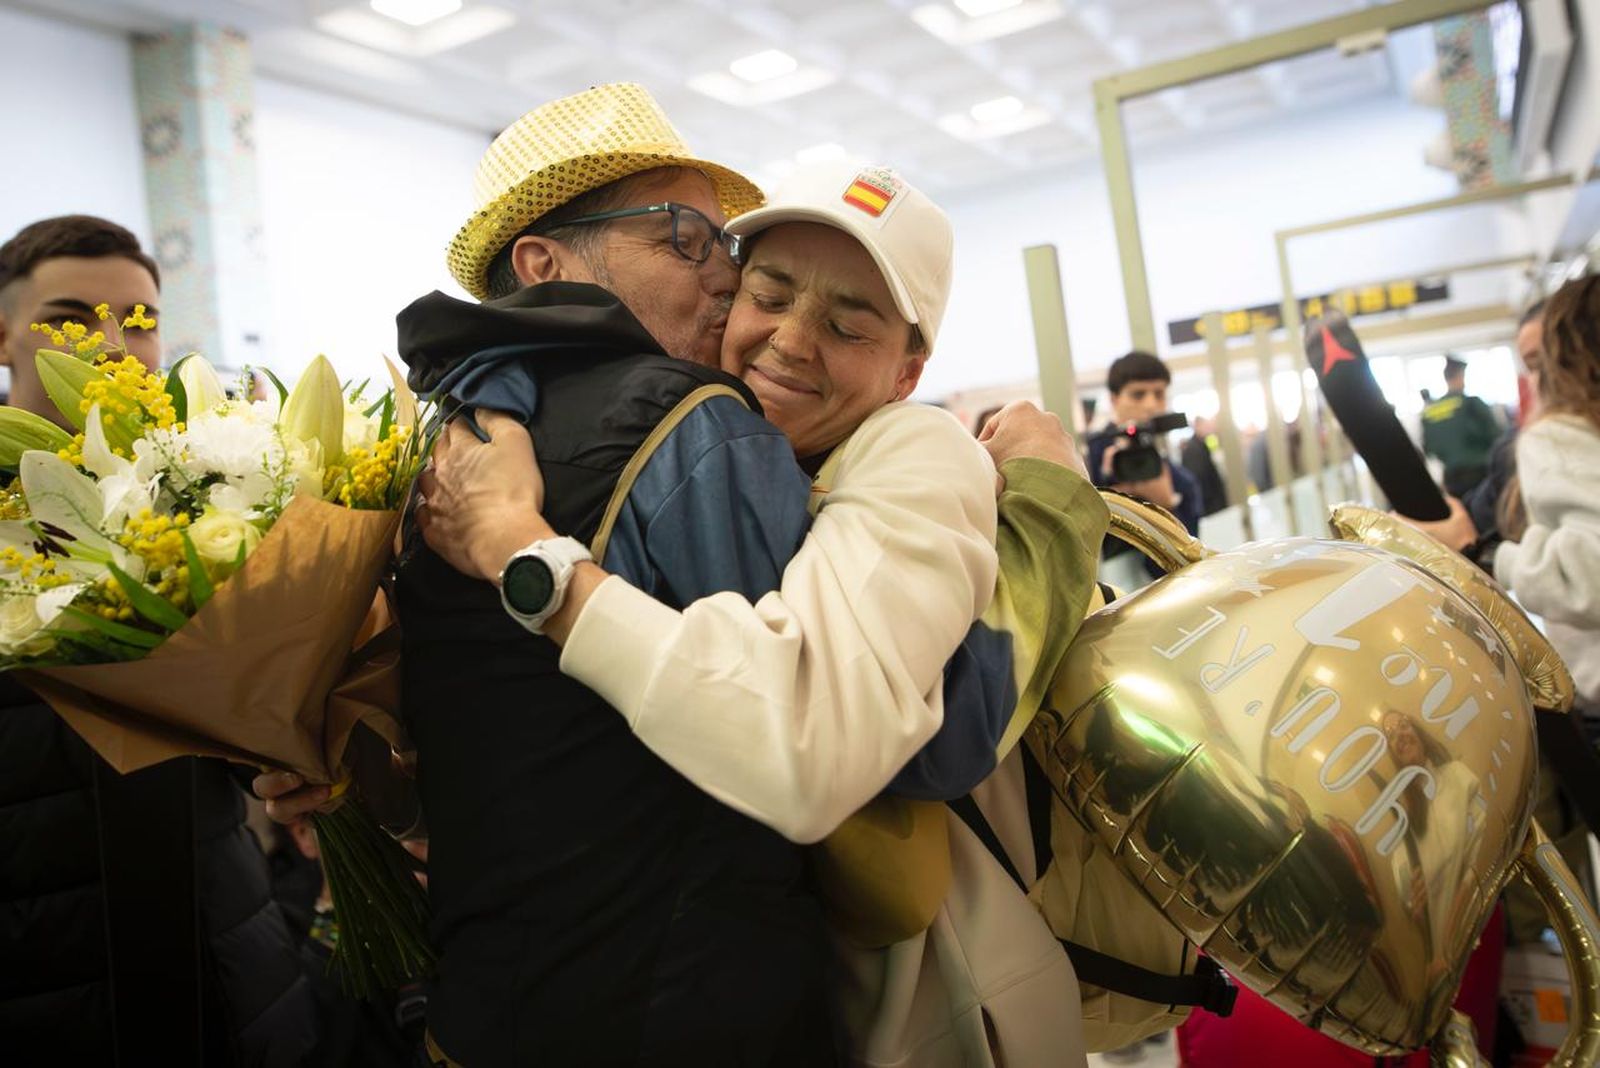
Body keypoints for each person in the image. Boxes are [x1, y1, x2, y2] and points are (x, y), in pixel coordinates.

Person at [0, 216, 317, 1065]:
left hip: (214, 932)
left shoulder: (205, 484)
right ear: (4, 333)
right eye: (69, 316)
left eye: (137, 321)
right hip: (41, 950)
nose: (108, 341)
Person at [1087, 350, 1202, 581]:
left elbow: (1187, 558)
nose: (1151, 405)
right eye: (1138, 395)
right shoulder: (1091, 458)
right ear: (1114, 399)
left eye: (1159, 394)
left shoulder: (1176, 474)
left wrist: (1166, 505)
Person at [1421, 354, 1501, 498]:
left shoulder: (1430, 411)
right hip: (1481, 477)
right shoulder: (1471, 404)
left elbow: (1429, 449)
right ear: (1460, 375)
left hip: (1452, 479)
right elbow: (1497, 437)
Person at [1179, 415, 1227, 516]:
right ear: (1197, 426)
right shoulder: (1193, 449)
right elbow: (1198, 479)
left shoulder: (1201, 444)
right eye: (1205, 426)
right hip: (1208, 505)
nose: (1209, 429)